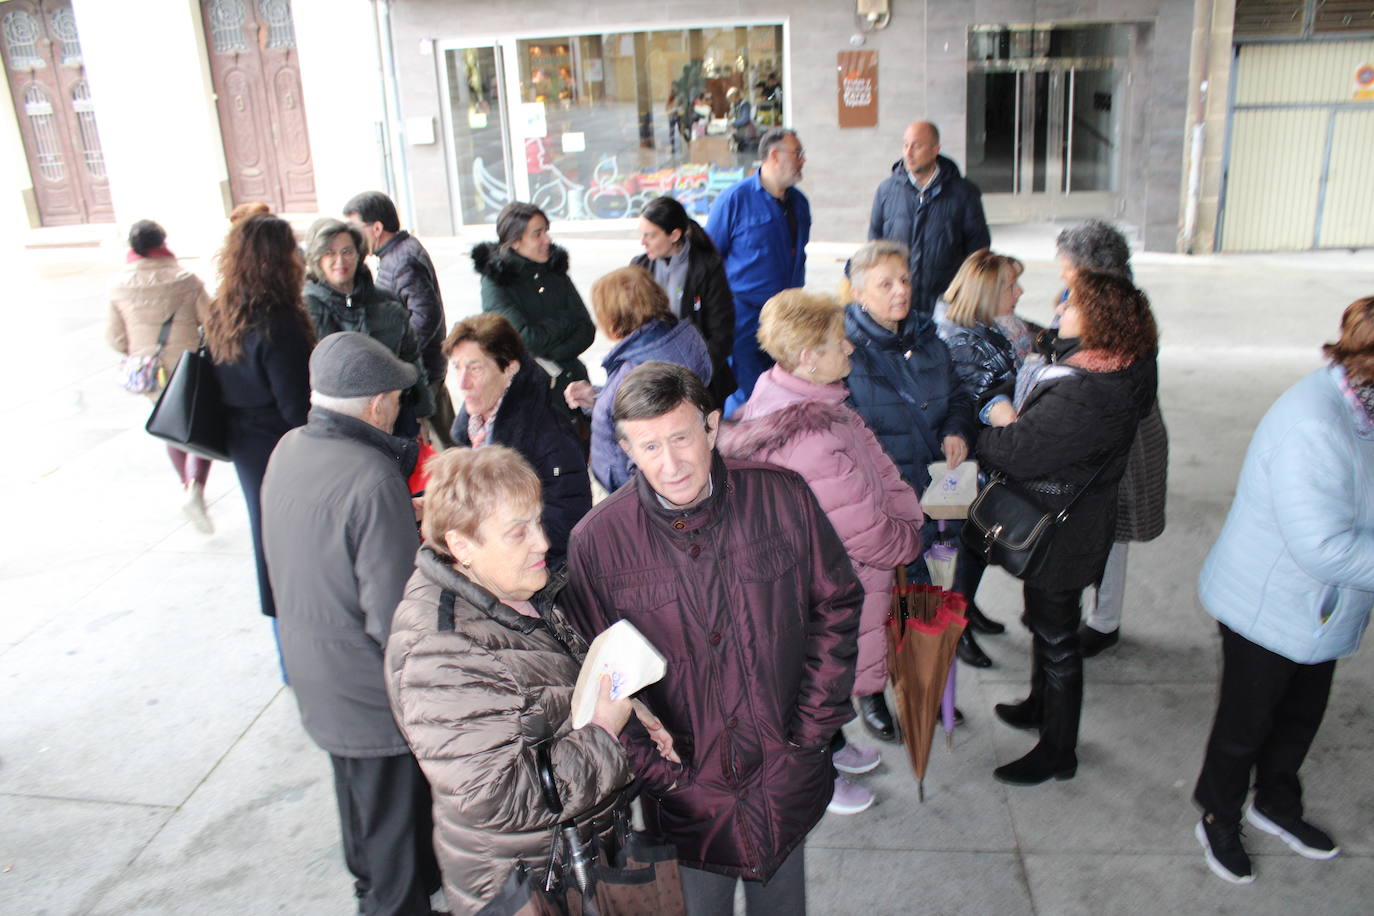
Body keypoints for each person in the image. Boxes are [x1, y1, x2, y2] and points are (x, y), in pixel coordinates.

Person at [563, 362, 863, 915]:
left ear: (711, 426)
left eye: (680, 437)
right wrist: (666, 780)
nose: (670, 463)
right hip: (688, 801)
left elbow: (836, 603)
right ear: (626, 449)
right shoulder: (598, 543)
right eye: (649, 447)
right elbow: (592, 684)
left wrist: (809, 734)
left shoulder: (781, 496)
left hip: (784, 773)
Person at [386, 446, 639, 914]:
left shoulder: (510, 591)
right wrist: (603, 733)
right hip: (527, 886)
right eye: (518, 532)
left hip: (570, 861)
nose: (542, 542)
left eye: (537, 522)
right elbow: (494, 796)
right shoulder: (441, 653)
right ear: (462, 545)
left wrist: (632, 710)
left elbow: (552, 691)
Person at [717, 290, 923, 815]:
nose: (850, 349)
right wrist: (907, 538)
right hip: (828, 587)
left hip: (823, 582)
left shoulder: (809, 401)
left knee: (823, 678)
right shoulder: (808, 437)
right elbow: (865, 531)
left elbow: (878, 470)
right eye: (838, 343)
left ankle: (831, 747)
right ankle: (818, 781)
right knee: (819, 683)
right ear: (808, 358)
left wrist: (903, 511)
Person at [1191, 297, 1374, 885]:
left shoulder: (1362, 407)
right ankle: (1218, 813)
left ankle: (1275, 803)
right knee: (1246, 722)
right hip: (1270, 605)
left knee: (1300, 714)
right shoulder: (1314, 424)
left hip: (1320, 608)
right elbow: (1322, 546)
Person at [260, 331, 440, 916]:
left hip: (318, 677)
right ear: (372, 405)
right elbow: (397, 619)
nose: (396, 408)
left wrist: (393, 516)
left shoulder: (288, 448)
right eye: (393, 397)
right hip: (370, 698)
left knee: (363, 833)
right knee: (397, 864)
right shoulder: (371, 475)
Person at [978, 270, 1158, 786]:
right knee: (1046, 620)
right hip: (1080, 517)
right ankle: (1040, 704)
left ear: (1099, 320)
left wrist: (986, 424)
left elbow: (1017, 452)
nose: (1057, 311)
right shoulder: (1130, 362)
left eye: (1069, 305)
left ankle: (1058, 750)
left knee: (1057, 636)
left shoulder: (1088, 394)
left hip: (1063, 529)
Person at [842, 239, 987, 685]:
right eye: (885, 284)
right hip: (881, 507)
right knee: (875, 602)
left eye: (904, 280)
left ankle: (917, 683)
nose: (900, 291)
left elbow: (960, 398)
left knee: (925, 592)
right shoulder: (844, 353)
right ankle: (870, 693)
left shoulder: (929, 340)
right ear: (859, 294)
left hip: (934, 497)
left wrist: (957, 430)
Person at [1053, 221, 1169, 657]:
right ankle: (1079, 609)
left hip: (1124, 438)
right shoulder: (1106, 301)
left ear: (1089, 267)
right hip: (1113, 430)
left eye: (1066, 264)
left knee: (1110, 531)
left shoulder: (1113, 312)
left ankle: (1104, 621)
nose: (1062, 272)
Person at [205, 214, 314, 622]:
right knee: (291, 543)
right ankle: (295, 635)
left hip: (243, 440)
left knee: (265, 533)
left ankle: (283, 634)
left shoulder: (223, 310)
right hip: (278, 444)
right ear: (276, 260)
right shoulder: (277, 320)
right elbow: (295, 408)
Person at [932, 249, 1030, 637]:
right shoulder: (966, 342)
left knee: (976, 549)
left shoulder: (1002, 329)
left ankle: (968, 611)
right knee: (961, 551)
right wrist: (1000, 407)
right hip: (966, 467)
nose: (1020, 291)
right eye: (1011, 285)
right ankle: (957, 633)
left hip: (985, 465)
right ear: (988, 292)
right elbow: (974, 402)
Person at [443, 314, 590, 571]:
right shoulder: (472, 430)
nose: (462, 383)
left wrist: (487, 537)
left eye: (475, 368)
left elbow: (567, 523)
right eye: (457, 367)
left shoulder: (550, 436)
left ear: (509, 368)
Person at [106, 219, 214, 532]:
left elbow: (114, 339)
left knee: (170, 427)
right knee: (194, 426)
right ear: (162, 242)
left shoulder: (118, 284)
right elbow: (210, 320)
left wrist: (139, 349)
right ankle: (194, 486)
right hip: (186, 367)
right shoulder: (185, 279)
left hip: (151, 372)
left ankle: (186, 485)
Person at [565, 266, 712, 493]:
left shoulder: (635, 367)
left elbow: (648, 436)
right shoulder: (673, 341)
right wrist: (597, 397)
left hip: (636, 491)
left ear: (614, 316)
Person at [706, 127, 810, 413]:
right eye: (797, 154)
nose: (802, 161)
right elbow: (707, 258)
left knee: (786, 391)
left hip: (787, 318)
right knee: (747, 397)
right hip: (744, 319)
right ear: (774, 155)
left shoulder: (800, 204)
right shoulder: (734, 200)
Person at [302, 219, 434, 431]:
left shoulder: (385, 302)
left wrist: (422, 413)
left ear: (359, 254)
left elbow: (411, 358)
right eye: (329, 253)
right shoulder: (307, 309)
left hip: (396, 415)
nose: (340, 261)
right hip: (343, 425)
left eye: (347, 251)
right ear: (317, 259)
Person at [345, 191, 454, 449]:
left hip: (424, 369)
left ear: (377, 227)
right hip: (424, 368)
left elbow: (426, 318)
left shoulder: (403, 259)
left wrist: (399, 356)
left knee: (444, 449)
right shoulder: (395, 255)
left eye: (355, 228)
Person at [471, 202, 596, 426]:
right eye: (538, 234)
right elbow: (525, 341)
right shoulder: (497, 281)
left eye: (546, 232)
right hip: (533, 397)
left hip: (576, 388)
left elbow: (587, 328)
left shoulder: (555, 270)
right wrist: (566, 322)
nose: (546, 240)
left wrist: (555, 352)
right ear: (515, 240)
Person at [868, 121, 990, 321]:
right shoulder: (886, 192)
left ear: (935, 150)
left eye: (916, 146)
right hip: (898, 307)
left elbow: (979, 251)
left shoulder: (964, 193)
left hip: (946, 308)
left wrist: (964, 298)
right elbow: (874, 247)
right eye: (905, 145)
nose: (908, 152)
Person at [631, 195, 736, 406]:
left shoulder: (707, 267)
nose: (643, 242)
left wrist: (695, 378)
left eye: (650, 235)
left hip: (701, 382)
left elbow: (721, 334)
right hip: (653, 383)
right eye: (642, 235)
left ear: (674, 234)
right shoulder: (639, 267)